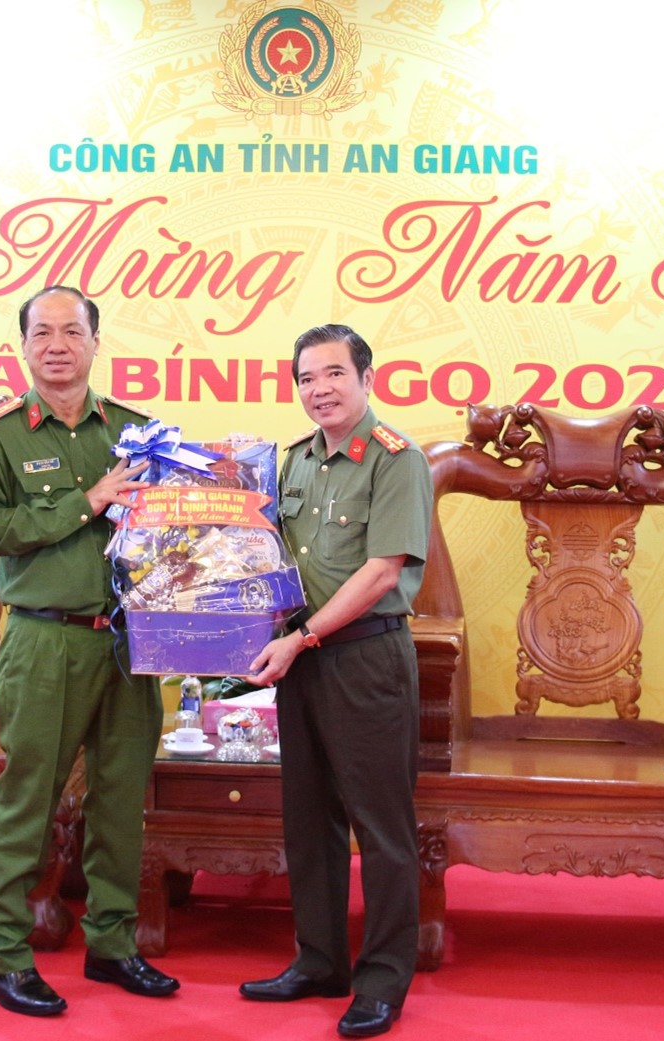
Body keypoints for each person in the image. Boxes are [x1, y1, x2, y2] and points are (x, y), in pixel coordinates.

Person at [0, 285, 180, 1017]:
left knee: (121, 800)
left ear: (95, 342)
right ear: (23, 346)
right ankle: (3, 955)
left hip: (126, 640)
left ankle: (113, 944)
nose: (57, 345)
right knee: (29, 798)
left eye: (72, 331)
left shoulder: (136, 432)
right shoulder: (0, 434)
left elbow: (169, 533)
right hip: (45, 639)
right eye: (43, 333)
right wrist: (85, 503)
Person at [241, 324, 432, 1038]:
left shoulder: (396, 459)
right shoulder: (293, 461)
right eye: (306, 378)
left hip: (365, 659)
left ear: (366, 379)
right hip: (302, 660)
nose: (319, 389)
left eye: (333, 374)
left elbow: (382, 571)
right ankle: (319, 961)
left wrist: (301, 638)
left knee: (382, 830)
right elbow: (265, 553)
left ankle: (382, 980)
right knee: (309, 821)